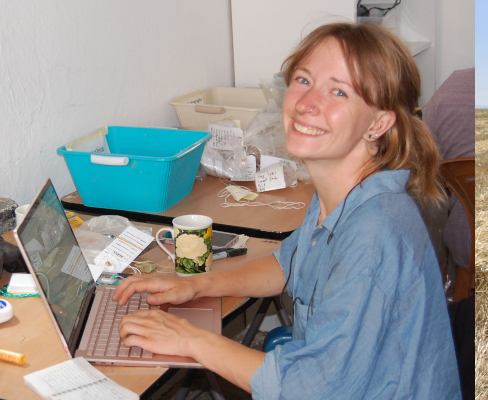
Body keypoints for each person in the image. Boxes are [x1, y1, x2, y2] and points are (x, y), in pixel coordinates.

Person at [112, 22, 461, 398]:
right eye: (304, 80)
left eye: (339, 91)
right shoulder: (344, 192)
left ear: (378, 123)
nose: (307, 103)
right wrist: (196, 284)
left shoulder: (375, 233)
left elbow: (307, 387)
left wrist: (190, 340)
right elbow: (287, 263)